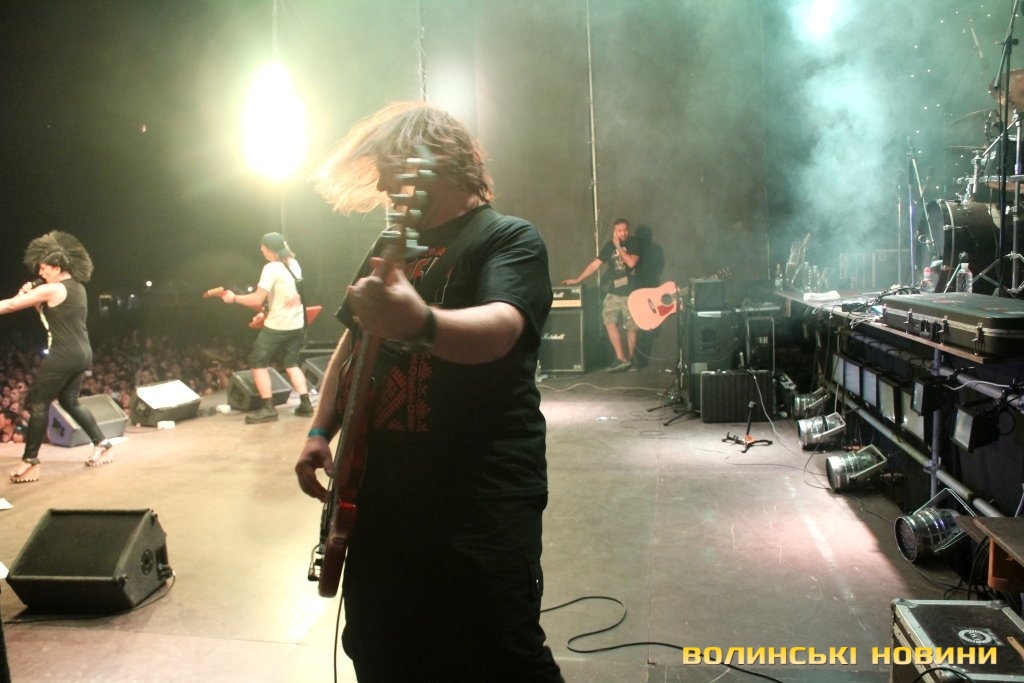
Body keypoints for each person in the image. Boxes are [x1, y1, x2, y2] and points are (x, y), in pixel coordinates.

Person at [294, 101, 563, 682]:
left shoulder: (506, 238)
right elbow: (353, 342)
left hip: (479, 496)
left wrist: (419, 322)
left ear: (437, 162)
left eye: (393, 170)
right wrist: (320, 429)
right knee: (379, 648)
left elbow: (502, 328)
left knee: (501, 654)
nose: (384, 187)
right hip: (383, 494)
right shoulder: (390, 246)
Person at [0, 231, 115, 483]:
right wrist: (32, 298)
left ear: (57, 267)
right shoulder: (78, 288)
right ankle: (102, 443)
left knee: (38, 403)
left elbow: (10, 306)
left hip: (63, 353)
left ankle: (30, 461)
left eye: (44, 268)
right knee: (69, 401)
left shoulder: (53, 288)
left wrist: (24, 297)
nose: (41, 273)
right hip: (82, 352)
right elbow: (53, 316)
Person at [218, 232, 314, 423]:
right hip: (297, 324)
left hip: (278, 326)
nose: (262, 253)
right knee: (291, 363)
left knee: (258, 362)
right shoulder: (294, 264)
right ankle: (305, 404)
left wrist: (234, 298)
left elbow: (257, 299)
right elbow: (284, 296)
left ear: (270, 251)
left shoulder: (271, 268)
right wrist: (266, 313)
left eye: (263, 250)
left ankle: (268, 408)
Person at [563, 218, 643, 371]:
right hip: (614, 292)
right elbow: (595, 264)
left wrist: (618, 246)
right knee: (609, 320)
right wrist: (578, 279)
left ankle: (632, 358)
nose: (623, 233)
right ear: (614, 231)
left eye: (625, 230)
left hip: (631, 292)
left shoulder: (634, 243)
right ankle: (621, 358)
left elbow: (631, 263)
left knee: (631, 326)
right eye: (619, 231)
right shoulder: (609, 246)